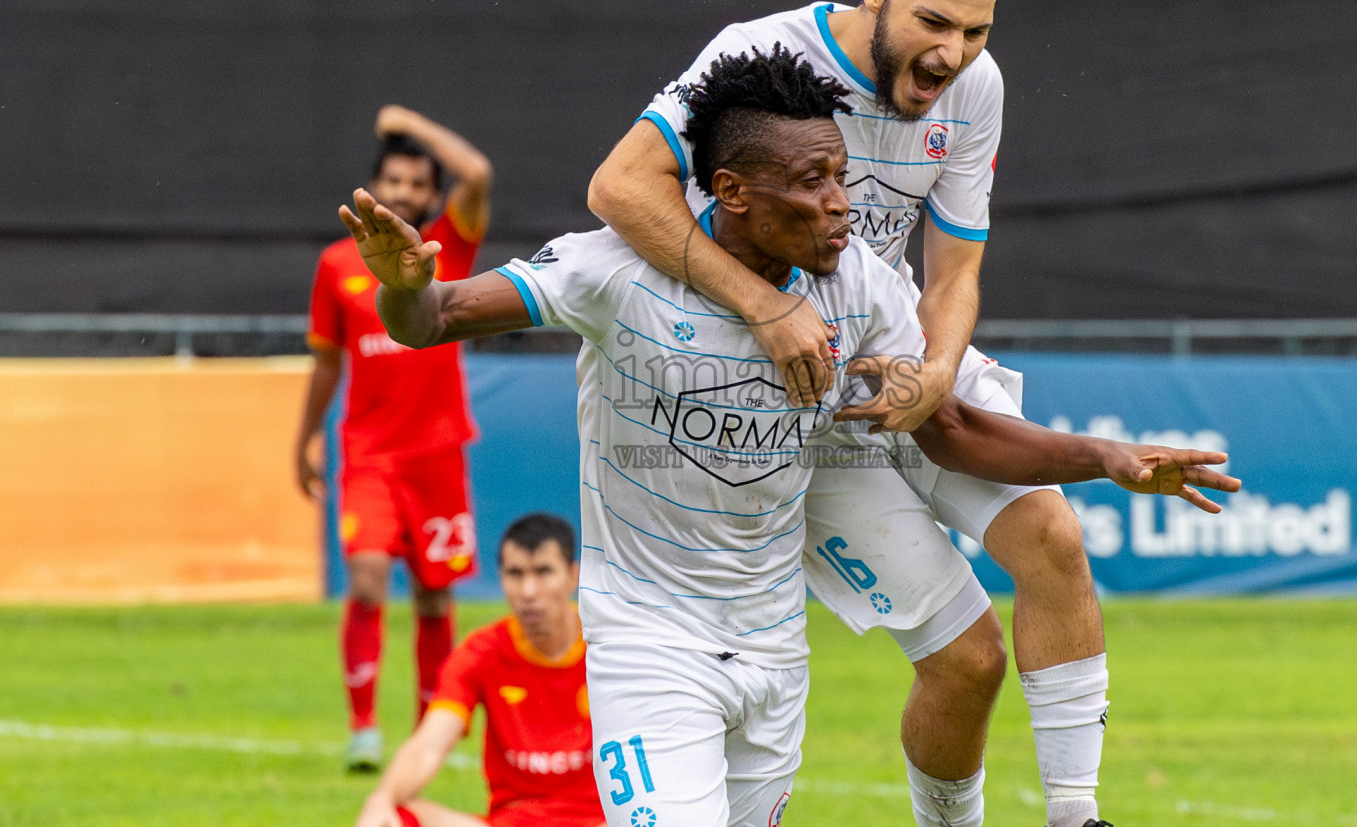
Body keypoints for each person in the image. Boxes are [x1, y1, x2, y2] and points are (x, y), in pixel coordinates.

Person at [338, 47, 1238, 826]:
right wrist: (400, 286)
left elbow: (951, 426)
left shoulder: (857, 287)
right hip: (653, 647)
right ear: (731, 191)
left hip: (773, 652)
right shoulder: (611, 271)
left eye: (842, 176)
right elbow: (435, 316)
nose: (842, 205)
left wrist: (1107, 459)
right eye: (813, 183)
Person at [586, 0, 1123, 827]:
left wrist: (938, 373)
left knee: (1054, 540)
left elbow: (954, 272)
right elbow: (621, 186)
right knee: (967, 662)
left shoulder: (976, 91)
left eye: (978, 32)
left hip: (900, 358)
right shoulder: (762, 56)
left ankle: (1076, 818)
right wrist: (764, 307)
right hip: (791, 406)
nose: (952, 54)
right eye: (934, 21)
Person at [296, 103, 494, 771]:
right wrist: (305, 439)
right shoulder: (335, 265)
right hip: (369, 454)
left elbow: (478, 171)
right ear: (373, 189)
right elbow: (327, 360)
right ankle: (362, 729)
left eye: (418, 184)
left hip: (438, 452)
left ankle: (424, 734)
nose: (405, 193)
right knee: (369, 580)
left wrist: (409, 120)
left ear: (433, 196)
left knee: (437, 595)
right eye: (394, 181)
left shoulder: (447, 248)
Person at [355, 512, 606, 827]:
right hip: (510, 823)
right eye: (516, 574)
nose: (528, 591)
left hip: (603, 822)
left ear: (573, 576)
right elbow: (430, 744)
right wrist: (382, 799)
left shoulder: (609, 649)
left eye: (543, 572)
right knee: (398, 818)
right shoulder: (483, 652)